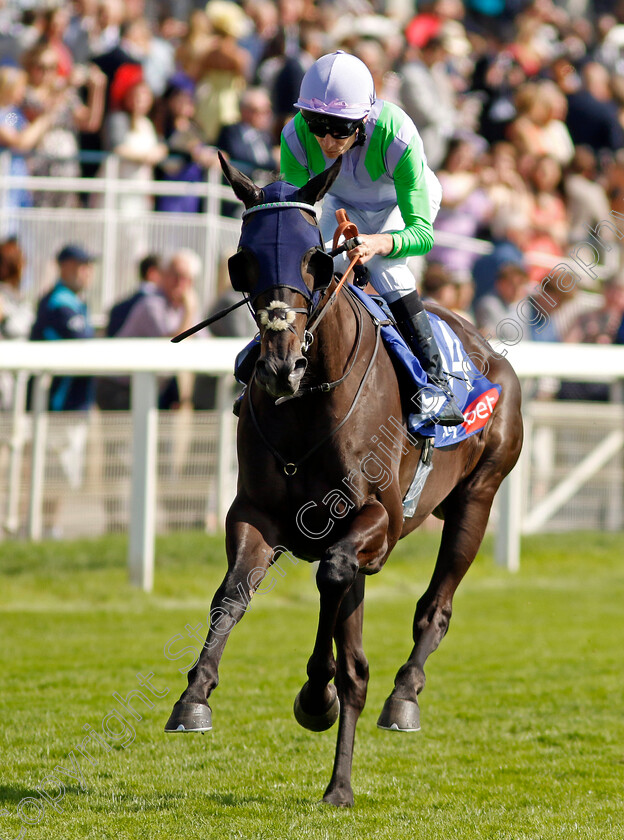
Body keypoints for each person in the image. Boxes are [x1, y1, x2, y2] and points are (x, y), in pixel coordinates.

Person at [280, 50, 463, 425]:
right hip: (342, 200)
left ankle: (436, 383)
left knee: (386, 270)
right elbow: (294, 218)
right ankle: (265, 360)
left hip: (401, 202)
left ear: (363, 119)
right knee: (312, 261)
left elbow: (422, 234)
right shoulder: (294, 136)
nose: (328, 140)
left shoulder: (397, 135)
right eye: (316, 123)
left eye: (340, 128)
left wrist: (378, 242)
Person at [30, 243, 96, 411]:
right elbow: (82, 342)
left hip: (74, 401)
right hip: (59, 405)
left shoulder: (74, 300)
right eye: (82, 266)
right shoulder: (58, 302)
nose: (88, 272)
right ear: (65, 267)